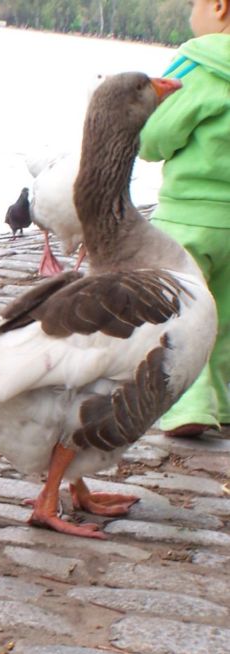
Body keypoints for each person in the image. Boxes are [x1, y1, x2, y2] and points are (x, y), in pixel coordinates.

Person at [138, 0, 230, 437]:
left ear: (219, 7)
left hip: (189, 217)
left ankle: (187, 403)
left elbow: (154, 136)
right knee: (224, 317)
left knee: (181, 310)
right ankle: (221, 401)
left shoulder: (197, 65)